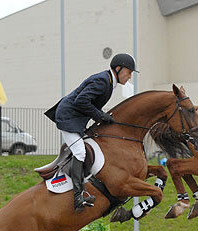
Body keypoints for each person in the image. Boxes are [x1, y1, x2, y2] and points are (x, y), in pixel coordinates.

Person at [45, 53, 138, 211]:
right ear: (118, 68)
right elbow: (81, 101)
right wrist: (100, 115)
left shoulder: (109, 82)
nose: (129, 76)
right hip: (67, 118)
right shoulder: (102, 81)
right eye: (128, 72)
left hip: (76, 119)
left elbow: (90, 103)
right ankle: (77, 197)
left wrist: (103, 117)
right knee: (80, 153)